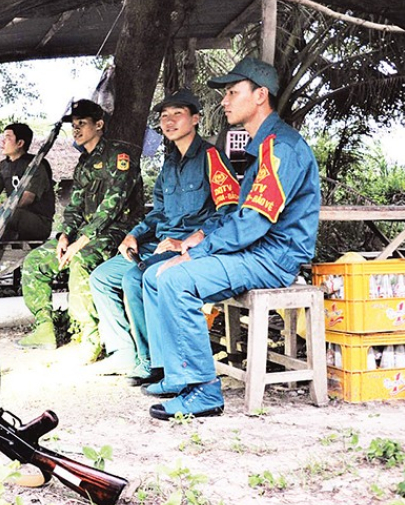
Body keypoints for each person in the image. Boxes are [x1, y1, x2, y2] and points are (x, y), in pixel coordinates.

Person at [142, 57, 320, 419]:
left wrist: (197, 252)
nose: (224, 101)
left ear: (260, 96)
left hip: (273, 259)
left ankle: (204, 391)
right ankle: (181, 378)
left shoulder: (279, 147)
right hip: (256, 252)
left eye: (232, 92)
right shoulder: (262, 144)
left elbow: (253, 222)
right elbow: (240, 216)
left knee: (177, 278)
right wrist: (198, 240)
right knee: (161, 273)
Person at [89, 89, 239, 381]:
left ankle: (157, 363)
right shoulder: (169, 164)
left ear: (195, 119)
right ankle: (124, 354)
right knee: (101, 278)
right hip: (158, 245)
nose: (169, 121)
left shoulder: (212, 157)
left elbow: (230, 211)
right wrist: (133, 235)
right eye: (164, 116)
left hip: (188, 249)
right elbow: (158, 213)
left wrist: (189, 239)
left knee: (135, 278)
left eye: (177, 114)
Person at [19, 99, 144, 354]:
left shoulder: (120, 156)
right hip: (84, 234)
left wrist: (79, 243)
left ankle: (89, 337)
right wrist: (65, 237)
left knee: (81, 261)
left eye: (82, 124)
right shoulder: (83, 163)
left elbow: (112, 207)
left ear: (99, 125)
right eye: (74, 125)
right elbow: (74, 206)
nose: (76, 129)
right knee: (34, 262)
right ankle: (45, 328)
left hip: (116, 233)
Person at [0, 123, 55, 241]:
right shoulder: (3, 166)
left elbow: (26, 199)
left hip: (38, 223)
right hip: (10, 216)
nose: (2, 142)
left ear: (20, 143)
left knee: (5, 214)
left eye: (7, 138)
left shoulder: (36, 165)